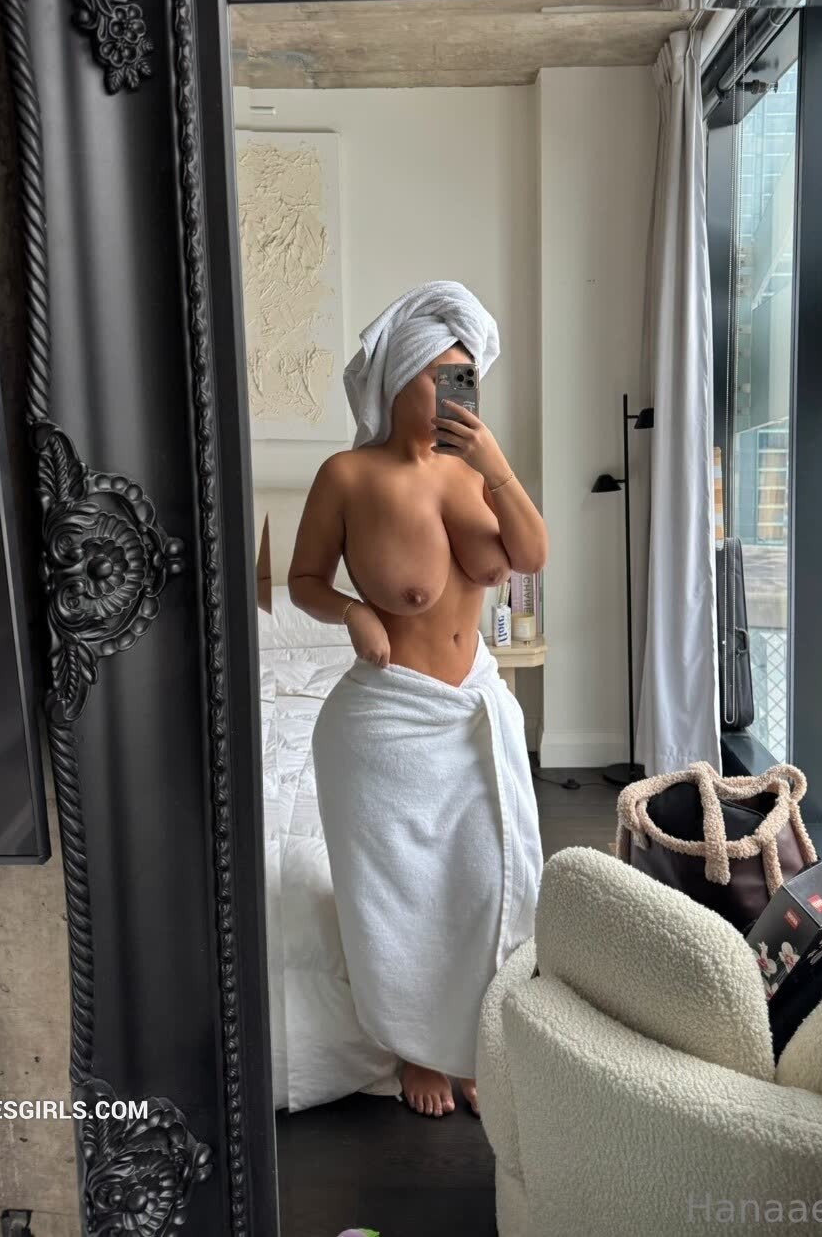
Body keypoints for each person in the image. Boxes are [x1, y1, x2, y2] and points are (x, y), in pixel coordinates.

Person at [288, 281, 547, 1118]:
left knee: (488, 881)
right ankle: (416, 1048)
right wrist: (353, 611)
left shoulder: (475, 473)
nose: (454, 393)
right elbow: (302, 580)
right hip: (386, 725)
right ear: (397, 380)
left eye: (465, 377)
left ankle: (471, 1039)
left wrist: (495, 466)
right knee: (400, 894)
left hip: (472, 707)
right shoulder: (348, 476)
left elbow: (530, 556)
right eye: (440, 376)